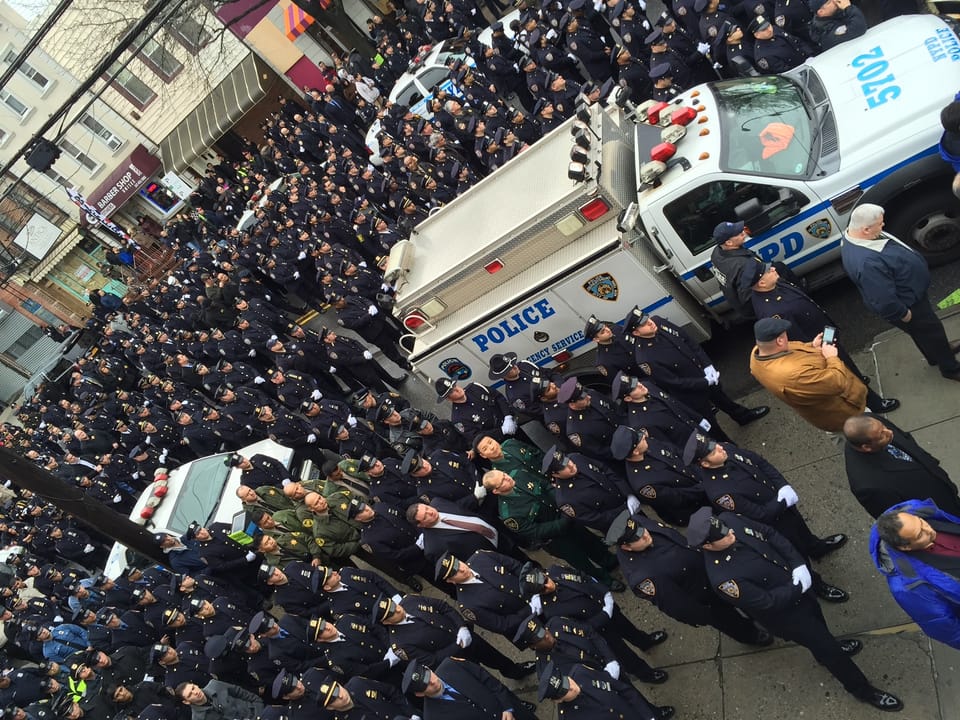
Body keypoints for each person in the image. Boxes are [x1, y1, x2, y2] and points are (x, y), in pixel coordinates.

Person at [688, 507, 904, 712]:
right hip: (788, 616)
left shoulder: (729, 521)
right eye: (723, 537)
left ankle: (823, 652)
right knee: (829, 649)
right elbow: (766, 602)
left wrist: (798, 565)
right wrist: (797, 586)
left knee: (820, 624)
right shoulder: (724, 579)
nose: (730, 533)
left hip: (801, 589)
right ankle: (862, 690)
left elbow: (769, 534)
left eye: (726, 529)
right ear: (708, 546)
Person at [606, 510, 772, 645]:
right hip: (705, 597)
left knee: (747, 600)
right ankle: (750, 636)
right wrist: (705, 616)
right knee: (729, 620)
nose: (645, 535)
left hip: (711, 570)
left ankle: (757, 617)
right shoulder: (643, 577)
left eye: (641, 530)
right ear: (626, 547)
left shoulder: (639, 524)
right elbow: (676, 605)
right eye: (637, 538)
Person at [841, 203, 960, 381]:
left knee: (922, 333)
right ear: (865, 229)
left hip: (909, 297)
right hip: (909, 304)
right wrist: (904, 314)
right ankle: (950, 368)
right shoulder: (868, 263)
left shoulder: (853, 234)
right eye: (880, 224)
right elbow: (883, 298)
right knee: (932, 331)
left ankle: (936, 354)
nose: (883, 226)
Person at [624, 305, 769, 427]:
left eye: (647, 318)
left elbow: (688, 341)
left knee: (723, 399)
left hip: (702, 373)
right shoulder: (645, 358)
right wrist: (703, 382)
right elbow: (673, 382)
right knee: (710, 423)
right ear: (636, 332)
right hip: (690, 392)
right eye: (643, 324)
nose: (649, 322)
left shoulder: (659, 322)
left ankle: (743, 416)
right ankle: (726, 449)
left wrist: (707, 365)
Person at [749, 317, 899, 431]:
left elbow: (794, 350)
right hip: (846, 413)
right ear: (780, 341)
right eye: (785, 335)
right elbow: (837, 383)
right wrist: (831, 357)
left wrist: (812, 347)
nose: (788, 337)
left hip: (831, 410)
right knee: (871, 436)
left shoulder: (759, 353)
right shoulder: (793, 375)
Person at [872, 499, 960, 651]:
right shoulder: (908, 589)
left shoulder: (916, 511)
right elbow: (945, 627)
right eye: (920, 535)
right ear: (905, 547)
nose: (930, 530)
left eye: (922, 523)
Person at [843, 414, 960, 518]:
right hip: (937, 512)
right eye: (881, 435)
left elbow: (906, 439)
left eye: (884, 427)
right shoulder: (868, 487)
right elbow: (898, 519)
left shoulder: (872, 423)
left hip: (943, 487)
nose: (889, 432)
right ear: (866, 447)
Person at [402, 657, 537, 720]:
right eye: (425, 685)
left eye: (428, 675)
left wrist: (507, 708)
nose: (432, 681)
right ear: (419, 694)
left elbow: (489, 681)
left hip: (512, 710)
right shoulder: (433, 717)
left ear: (428, 668)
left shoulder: (451, 665)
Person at [537, 661, 674, 720]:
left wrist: (649, 716)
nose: (572, 687)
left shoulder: (580, 673)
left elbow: (623, 690)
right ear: (558, 700)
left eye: (567, 682)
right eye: (565, 691)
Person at [175, 679, 264, 720]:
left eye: (193, 688)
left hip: (257, 713)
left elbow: (241, 693)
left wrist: (259, 706)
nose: (195, 692)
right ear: (186, 702)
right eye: (190, 694)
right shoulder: (198, 718)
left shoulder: (215, 685)